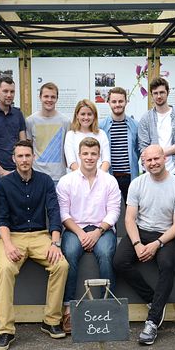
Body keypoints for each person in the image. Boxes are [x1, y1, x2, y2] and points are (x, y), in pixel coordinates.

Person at [0, 140, 69, 350]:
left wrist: (55, 243)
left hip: (40, 236)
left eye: (28, 155)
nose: (24, 160)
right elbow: (1, 218)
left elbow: (54, 212)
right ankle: (5, 330)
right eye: (20, 156)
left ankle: (51, 320)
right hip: (13, 236)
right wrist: (7, 245)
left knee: (61, 265)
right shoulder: (3, 185)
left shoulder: (45, 181)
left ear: (33, 157)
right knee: (5, 270)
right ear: (14, 159)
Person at [113, 145, 175, 345]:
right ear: (143, 163)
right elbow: (129, 219)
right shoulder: (137, 184)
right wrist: (137, 244)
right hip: (140, 231)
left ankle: (152, 321)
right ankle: (154, 300)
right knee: (119, 262)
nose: (153, 163)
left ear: (164, 158)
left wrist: (157, 244)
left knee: (168, 266)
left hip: (165, 235)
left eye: (156, 159)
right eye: (148, 160)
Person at [57, 137, 122, 334]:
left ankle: (107, 306)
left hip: (101, 229)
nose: (89, 157)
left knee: (105, 254)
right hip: (74, 228)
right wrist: (80, 233)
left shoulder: (109, 180)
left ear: (99, 155)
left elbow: (114, 212)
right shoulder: (66, 181)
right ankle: (68, 309)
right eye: (85, 153)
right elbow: (64, 214)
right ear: (79, 155)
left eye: (93, 154)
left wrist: (98, 232)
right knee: (69, 253)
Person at [138, 77, 175, 177]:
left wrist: (156, 154)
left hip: (173, 170)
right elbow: (143, 146)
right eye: (155, 93)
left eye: (162, 92)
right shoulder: (145, 118)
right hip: (151, 171)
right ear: (151, 95)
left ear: (168, 92)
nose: (159, 96)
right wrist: (155, 156)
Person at [99, 87, 140, 200]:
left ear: (126, 102)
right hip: (110, 176)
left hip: (130, 177)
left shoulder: (135, 126)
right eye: (114, 101)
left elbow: (137, 150)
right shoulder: (101, 127)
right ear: (108, 102)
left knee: (132, 211)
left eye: (121, 101)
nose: (117, 104)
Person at [25, 82, 71, 182]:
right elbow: (29, 147)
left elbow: (67, 149)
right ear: (40, 97)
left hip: (59, 176)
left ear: (57, 99)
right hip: (37, 175)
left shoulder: (65, 121)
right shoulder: (30, 121)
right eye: (46, 96)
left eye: (53, 97)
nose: (49, 100)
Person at [64, 99, 110, 173]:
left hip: (100, 179)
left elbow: (106, 160)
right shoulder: (71, 135)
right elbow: (72, 162)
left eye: (89, 114)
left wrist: (98, 178)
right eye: (83, 114)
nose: (86, 117)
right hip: (77, 179)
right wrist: (84, 179)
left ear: (94, 116)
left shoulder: (101, 134)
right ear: (77, 115)